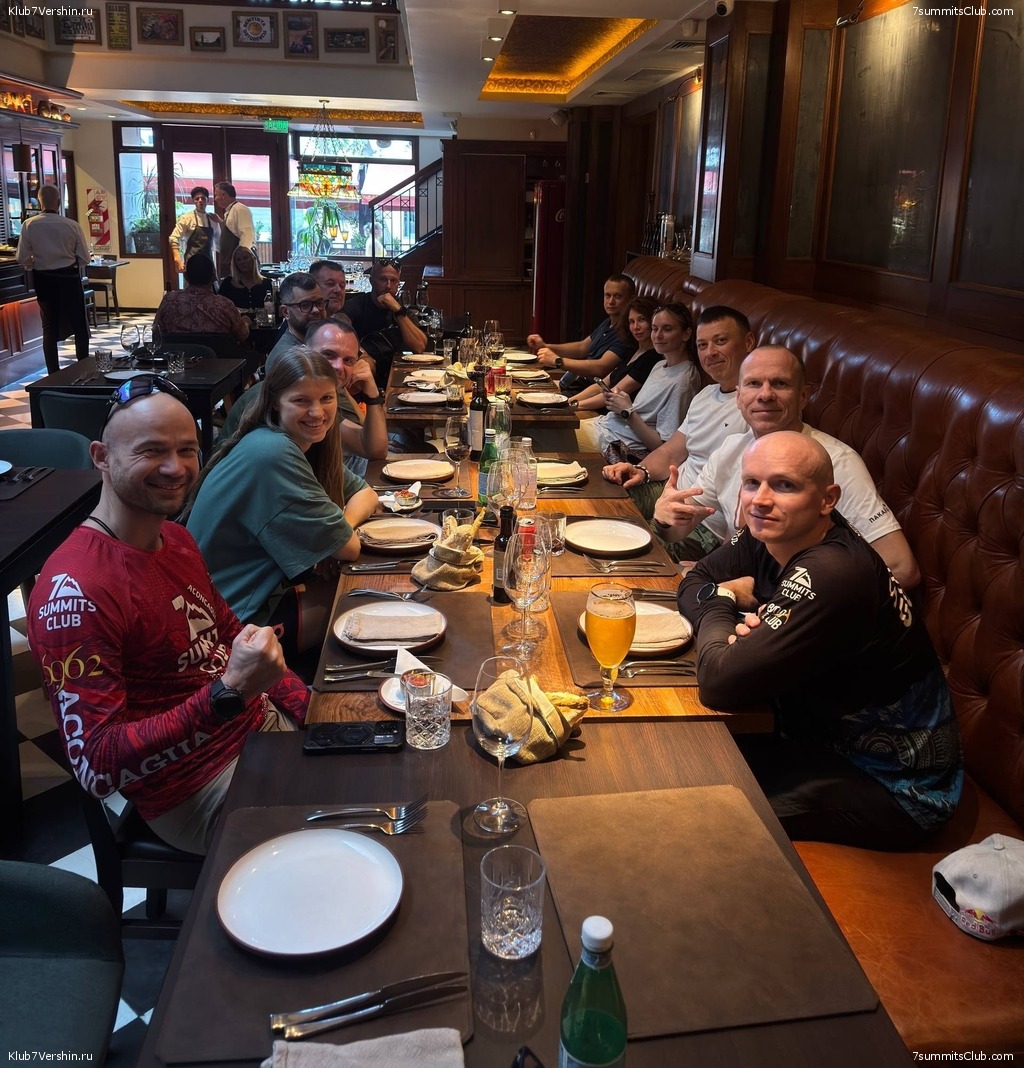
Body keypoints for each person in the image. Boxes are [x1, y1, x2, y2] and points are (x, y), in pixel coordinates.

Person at [26, 376, 309, 855]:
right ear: (101, 457)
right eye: (151, 451)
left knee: (398, 768)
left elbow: (228, 633)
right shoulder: (74, 591)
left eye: (187, 450)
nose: (175, 468)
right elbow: (97, 768)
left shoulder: (176, 539)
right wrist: (227, 695)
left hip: (262, 733)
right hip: (196, 789)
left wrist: (314, 711)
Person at [679, 431, 962, 849]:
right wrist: (724, 607)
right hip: (805, 733)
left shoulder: (834, 571)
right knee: (677, 756)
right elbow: (694, 581)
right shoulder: (769, 531)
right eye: (752, 482)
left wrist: (722, 599)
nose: (760, 499)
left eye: (785, 485)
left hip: (893, 785)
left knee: (689, 806)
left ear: (828, 499)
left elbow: (718, 682)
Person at [651, 345, 921, 588]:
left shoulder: (836, 461)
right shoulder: (731, 448)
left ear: (803, 396)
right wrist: (664, 519)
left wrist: (766, 589)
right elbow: (677, 530)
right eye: (754, 384)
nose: (765, 395)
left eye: (779, 384)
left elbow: (902, 568)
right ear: (739, 397)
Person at [185, 349, 380, 661]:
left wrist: (339, 530)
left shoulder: (298, 443)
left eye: (326, 398)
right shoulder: (273, 452)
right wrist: (339, 537)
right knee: (367, 598)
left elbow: (366, 494)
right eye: (301, 400)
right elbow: (349, 548)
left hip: (255, 600)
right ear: (276, 401)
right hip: (230, 626)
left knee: (362, 590)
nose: (317, 412)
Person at [602, 305, 754, 518]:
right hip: (668, 490)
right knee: (600, 500)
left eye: (720, 341)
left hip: (703, 515)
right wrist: (640, 470)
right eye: (702, 345)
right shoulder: (705, 395)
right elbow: (670, 452)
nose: (710, 353)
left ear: (748, 342)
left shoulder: (758, 407)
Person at [222, 319, 388, 474]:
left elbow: (373, 449)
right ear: (303, 351)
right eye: (328, 354)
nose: (338, 366)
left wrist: (372, 395)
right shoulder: (284, 393)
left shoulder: (321, 393)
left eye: (348, 360)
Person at [593, 302, 701, 464]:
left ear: (686, 334)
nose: (658, 336)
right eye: (655, 329)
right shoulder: (660, 365)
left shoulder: (683, 382)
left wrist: (627, 412)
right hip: (605, 426)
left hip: (615, 443)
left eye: (667, 329)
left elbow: (662, 447)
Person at [16, 183, 90, 373]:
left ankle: (53, 373)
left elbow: (22, 258)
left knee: (48, 327)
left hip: (44, 280)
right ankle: (84, 368)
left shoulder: (29, 225)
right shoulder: (71, 225)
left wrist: (36, 264)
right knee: (79, 324)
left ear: (39, 201)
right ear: (58, 202)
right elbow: (84, 258)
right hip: (69, 278)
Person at [528, 274, 637, 396]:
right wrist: (545, 346)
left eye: (618, 296)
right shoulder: (608, 323)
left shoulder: (627, 333)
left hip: (592, 393)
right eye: (608, 295)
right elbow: (582, 347)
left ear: (631, 299)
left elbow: (601, 368)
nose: (611, 301)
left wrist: (558, 361)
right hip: (576, 384)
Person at [342, 257, 427, 388]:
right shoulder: (357, 305)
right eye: (382, 279)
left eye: (393, 281)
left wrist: (398, 311)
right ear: (371, 281)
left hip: (398, 377)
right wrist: (362, 354)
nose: (388, 286)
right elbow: (338, 327)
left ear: (398, 283)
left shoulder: (402, 310)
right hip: (365, 377)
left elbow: (420, 347)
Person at [570, 296, 662, 415]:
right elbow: (600, 386)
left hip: (612, 416)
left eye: (642, 320)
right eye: (631, 321)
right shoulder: (633, 350)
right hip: (597, 410)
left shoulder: (652, 358)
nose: (636, 327)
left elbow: (613, 395)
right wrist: (568, 401)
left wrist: (573, 405)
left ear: (653, 321)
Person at [153, 253, 249, 343]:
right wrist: (246, 322)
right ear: (213, 277)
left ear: (186, 276)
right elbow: (242, 335)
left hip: (179, 354)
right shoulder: (225, 305)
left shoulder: (169, 300)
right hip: (217, 355)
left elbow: (156, 333)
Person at [266, 271, 324, 368]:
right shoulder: (290, 359)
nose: (316, 310)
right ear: (286, 312)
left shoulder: (311, 343)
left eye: (319, 303)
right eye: (305, 305)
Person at [168, 186, 219, 275]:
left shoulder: (213, 220)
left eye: (203, 198)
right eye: (197, 199)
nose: (200, 201)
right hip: (191, 263)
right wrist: (177, 259)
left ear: (207, 200)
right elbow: (173, 238)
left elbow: (219, 242)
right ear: (193, 201)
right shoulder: (187, 218)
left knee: (211, 284)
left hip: (208, 263)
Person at [211, 180, 254, 273]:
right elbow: (233, 229)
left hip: (238, 267)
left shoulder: (240, 209)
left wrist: (242, 262)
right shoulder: (231, 210)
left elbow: (247, 236)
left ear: (223, 195)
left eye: (216, 195)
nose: (215, 199)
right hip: (229, 265)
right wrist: (220, 221)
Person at [217, 245, 272, 312]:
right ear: (235, 264)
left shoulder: (267, 283)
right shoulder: (228, 283)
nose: (242, 262)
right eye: (238, 260)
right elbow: (219, 306)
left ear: (253, 259)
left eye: (245, 258)